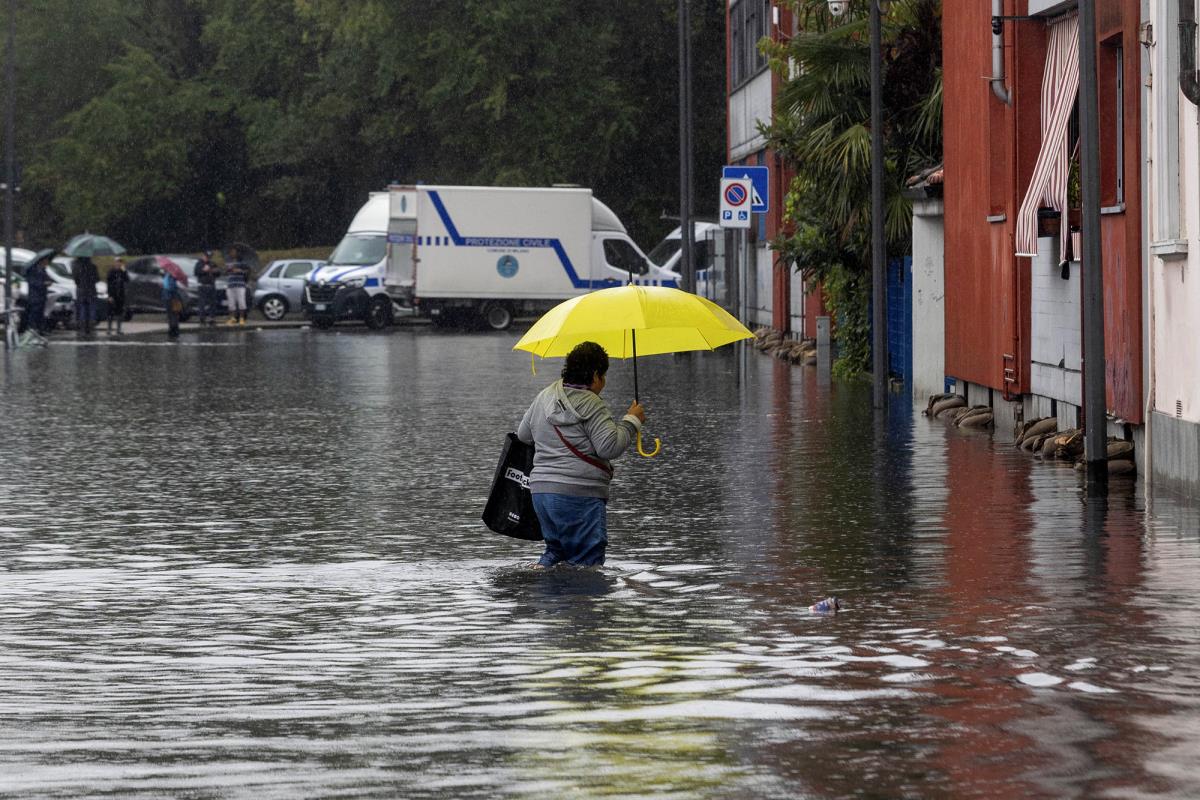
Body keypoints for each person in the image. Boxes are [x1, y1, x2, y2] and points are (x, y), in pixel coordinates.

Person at [516, 341, 646, 568]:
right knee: (588, 564)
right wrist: (632, 421)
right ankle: (581, 601)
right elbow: (609, 447)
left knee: (554, 553)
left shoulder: (545, 396)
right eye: (603, 376)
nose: (603, 383)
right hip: (578, 495)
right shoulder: (593, 404)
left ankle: (545, 599)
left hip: (542, 495)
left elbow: (523, 435)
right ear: (595, 375)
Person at [71, 255, 100, 337]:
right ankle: (91, 326)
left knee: (83, 308)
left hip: (81, 290)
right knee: (92, 309)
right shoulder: (93, 267)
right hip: (91, 290)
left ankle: (83, 327)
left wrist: (80, 284)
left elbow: (75, 279)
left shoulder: (77, 267)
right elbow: (97, 279)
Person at [24, 254, 50, 336]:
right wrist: (44, 283)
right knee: (34, 313)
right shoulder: (33, 270)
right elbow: (33, 283)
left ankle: (39, 329)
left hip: (42, 295)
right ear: (42, 261)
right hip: (35, 296)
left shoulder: (43, 270)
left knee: (40, 313)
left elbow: (46, 279)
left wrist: (48, 282)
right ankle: (32, 329)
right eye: (46, 261)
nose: (47, 262)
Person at [194, 250, 220, 326]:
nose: (208, 258)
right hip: (203, 285)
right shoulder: (199, 264)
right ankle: (202, 318)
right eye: (206, 256)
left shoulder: (212, 263)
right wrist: (204, 270)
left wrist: (213, 270)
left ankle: (212, 318)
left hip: (211, 285)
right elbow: (196, 272)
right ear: (203, 256)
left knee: (213, 302)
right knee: (202, 303)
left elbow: (218, 273)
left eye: (209, 257)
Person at [105, 257, 129, 335]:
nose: (119, 263)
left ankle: (118, 329)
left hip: (120, 295)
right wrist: (109, 295)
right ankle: (109, 329)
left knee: (119, 312)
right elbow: (108, 284)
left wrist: (124, 271)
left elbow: (127, 280)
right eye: (117, 262)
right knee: (110, 313)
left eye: (120, 262)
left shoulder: (122, 272)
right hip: (113, 294)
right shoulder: (111, 272)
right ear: (115, 263)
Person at [224, 252, 249, 326]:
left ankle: (241, 319)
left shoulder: (243, 263)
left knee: (241, 302)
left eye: (234, 252)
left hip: (240, 285)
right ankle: (233, 318)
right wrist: (228, 269)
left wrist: (240, 271)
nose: (233, 253)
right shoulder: (228, 262)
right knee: (231, 303)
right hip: (230, 285)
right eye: (232, 252)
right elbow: (224, 272)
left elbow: (248, 271)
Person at [162, 267, 183, 340]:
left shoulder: (169, 277)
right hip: (174, 297)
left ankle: (173, 330)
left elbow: (170, 287)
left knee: (172, 314)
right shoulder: (170, 277)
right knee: (174, 314)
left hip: (170, 297)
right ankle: (174, 329)